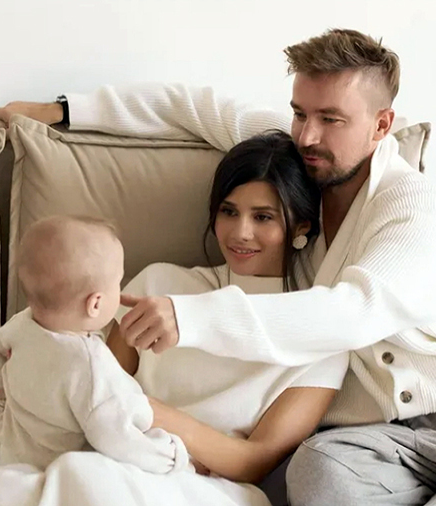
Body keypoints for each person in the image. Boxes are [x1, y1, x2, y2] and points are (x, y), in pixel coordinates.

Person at [0, 28, 436, 506]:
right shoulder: (302, 161)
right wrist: (61, 111)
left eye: (331, 119)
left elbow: (353, 314)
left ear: (381, 124)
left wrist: (191, 317)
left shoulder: (411, 205)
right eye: (299, 113)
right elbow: (194, 109)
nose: (308, 135)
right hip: (371, 441)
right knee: (318, 477)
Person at [104, 130, 348, 490]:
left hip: (210, 490)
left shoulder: (323, 337)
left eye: (263, 217)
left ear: (301, 226)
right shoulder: (159, 285)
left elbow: (254, 461)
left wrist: (150, 412)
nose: (240, 232)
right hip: (116, 461)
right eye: (229, 211)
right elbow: (99, 392)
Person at [0, 216, 190, 473]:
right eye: (117, 283)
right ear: (95, 304)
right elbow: (117, 438)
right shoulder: (92, 366)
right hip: (60, 467)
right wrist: (172, 456)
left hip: (14, 452)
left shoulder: (21, 325)